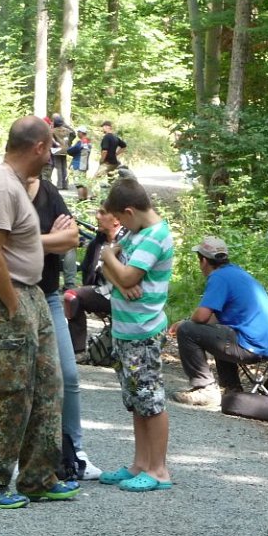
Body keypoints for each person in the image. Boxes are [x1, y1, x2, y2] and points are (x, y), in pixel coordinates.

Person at [0, 115, 80, 509]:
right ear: (38, 147)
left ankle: (38, 476)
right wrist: (13, 305)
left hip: (32, 293)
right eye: (50, 149)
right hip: (6, 296)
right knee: (11, 391)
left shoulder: (15, 184)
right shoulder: (1, 186)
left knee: (48, 386)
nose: (51, 158)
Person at [96, 178, 174, 493]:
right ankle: (140, 463)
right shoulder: (135, 234)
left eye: (119, 218)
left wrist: (108, 257)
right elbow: (111, 273)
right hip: (126, 330)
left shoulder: (155, 236)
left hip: (144, 331)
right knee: (136, 400)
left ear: (129, 212)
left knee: (151, 399)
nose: (118, 225)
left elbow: (125, 272)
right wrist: (115, 273)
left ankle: (159, 470)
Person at [28, 174, 103, 481]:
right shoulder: (4, 189)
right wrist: (50, 240)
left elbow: (72, 238)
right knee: (27, 377)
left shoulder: (47, 190)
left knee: (69, 375)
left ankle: (75, 451)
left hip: (49, 295)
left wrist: (31, 242)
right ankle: (24, 455)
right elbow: (1, 247)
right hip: (16, 294)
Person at [169, 236, 268, 407]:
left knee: (187, 330)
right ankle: (231, 388)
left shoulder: (219, 277)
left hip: (252, 347)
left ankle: (205, 389)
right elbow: (213, 319)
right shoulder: (237, 273)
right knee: (220, 330)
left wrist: (183, 324)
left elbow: (201, 317)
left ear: (203, 261)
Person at [64, 206, 126, 354]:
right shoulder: (97, 243)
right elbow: (88, 274)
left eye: (103, 213)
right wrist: (91, 298)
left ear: (117, 220)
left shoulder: (130, 241)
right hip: (103, 292)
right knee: (71, 297)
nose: (97, 216)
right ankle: (77, 351)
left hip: (127, 294)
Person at [67, 125, 92, 201]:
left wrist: (69, 147)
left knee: (78, 184)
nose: (77, 134)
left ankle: (81, 199)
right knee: (83, 183)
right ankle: (85, 199)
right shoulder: (89, 142)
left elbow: (71, 150)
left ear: (81, 132)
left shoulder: (80, 142)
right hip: (84, 165)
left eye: (78, 132)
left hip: (78, 164)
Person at [51, 113, 75, 190]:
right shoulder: (67, 130)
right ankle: (66, 184)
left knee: (59, 167)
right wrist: (69, 142)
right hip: (65, 149)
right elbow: (73, 134)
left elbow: (49, 136)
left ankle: (60, 185)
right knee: (64, 167)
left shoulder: (53, 131)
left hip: (57, 150)